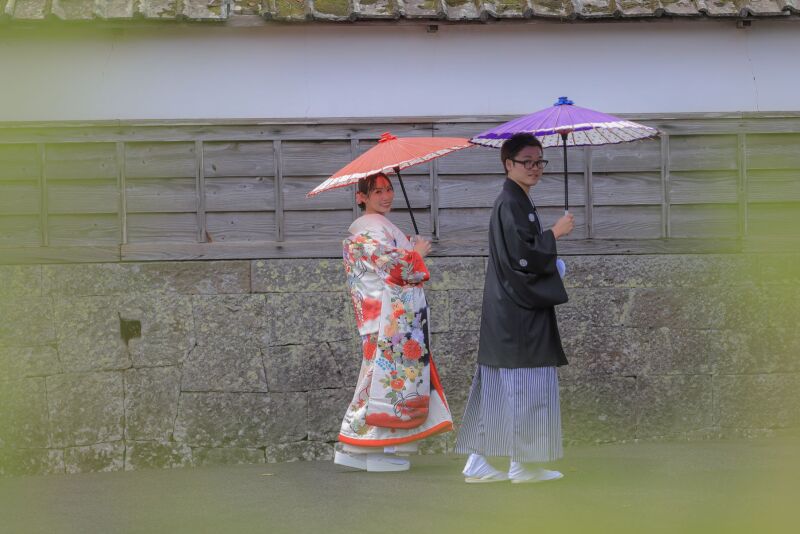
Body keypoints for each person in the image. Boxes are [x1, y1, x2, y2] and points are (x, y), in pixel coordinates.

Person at [454, 133, 575, 483]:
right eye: (527, 162)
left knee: (496, 388)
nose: (535, 168)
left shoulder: (516, 200)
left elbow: (521, 253)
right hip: (519, 312)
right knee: (526, 385)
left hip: (506, 309)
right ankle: (523, 464)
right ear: (509, 164)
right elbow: (523, 256)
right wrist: (554, 234)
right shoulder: (511, 202)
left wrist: (548, 249)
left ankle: (478, 461)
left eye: (539, 161)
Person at [334, 173, 453, 472]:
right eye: (377, 192)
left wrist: (408, 249)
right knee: (385, 385)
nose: (386, 196)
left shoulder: (374, 228)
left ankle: (355, 446)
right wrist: (416, 254)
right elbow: (394, 268)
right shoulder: (371, 229)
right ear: (361, 197)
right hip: (386, 318)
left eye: (389, 189)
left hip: (382, 316)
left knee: (375, 382)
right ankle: (376, 449)